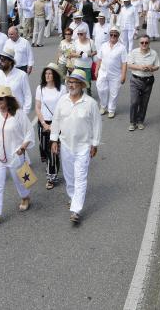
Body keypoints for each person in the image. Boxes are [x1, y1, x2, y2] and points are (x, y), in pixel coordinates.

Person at [50, 69, 102, 225]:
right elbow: (56, 120)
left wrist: (95, 144)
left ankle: (76, 210)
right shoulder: (62, 100)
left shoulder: (90, 103)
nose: (71, 85)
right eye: (69, 82)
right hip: (65, 144)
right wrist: (54, 140)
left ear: (81, 85)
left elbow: (97, 125)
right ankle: (73, 197)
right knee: (69, 176)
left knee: (80, 177)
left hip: (83, 146)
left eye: (74, 82)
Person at [0, 85, 35, 232]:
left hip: (15, 154)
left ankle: (25, 197)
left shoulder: (18, 114)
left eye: (1, 98)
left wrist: (23, 147)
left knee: (20, 180)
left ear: (8, 99)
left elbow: (29, 132)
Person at [35, 63, 67, 189]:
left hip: (56, 123)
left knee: (52, 151)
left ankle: (51, 177)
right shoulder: (40, 88)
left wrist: (54, 124)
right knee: (44, 147)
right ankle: (48, 161)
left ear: (55, 75)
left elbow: (64, 107)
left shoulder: (62, 89)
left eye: (50, 73)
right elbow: (37, 107)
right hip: (43, 123)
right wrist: (43, 123)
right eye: (46, 73)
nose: (47, 76)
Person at [126, 34, 160, 131]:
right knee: (134, 102)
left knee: (144, 103)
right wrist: (140, 67)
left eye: (146, 42)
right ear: (139, 43)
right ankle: (132, 122)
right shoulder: (134, 52)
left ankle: (140, 121)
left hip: (148, 80)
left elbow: (157, 66)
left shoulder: (154, 53)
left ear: (149, 43)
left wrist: (151, 68)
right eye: (142, 42)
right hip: (135, 80)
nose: (144, 44)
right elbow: (129, 65)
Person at [95, 26, 128, 118]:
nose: (113, 36)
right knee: (100, 88)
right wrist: (96, 70)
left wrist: (123, 75)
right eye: (111, 35)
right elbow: (99, 59)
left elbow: (124, 62)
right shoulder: (103, 45)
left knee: (114, 92)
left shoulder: (122, 48)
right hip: (103, 71)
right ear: (109, 35)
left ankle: (111, 109)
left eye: (115, 35)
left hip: (115, 74)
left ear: (118, 36)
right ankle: (103, 106)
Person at [0, 46, 33, 115]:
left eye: (3, 60)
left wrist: (24, 114)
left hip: (17, 113)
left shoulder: (22, 75)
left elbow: (27, 96)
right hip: (1, 114)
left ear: (10, 62)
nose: (0, 62)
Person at [72, 25, 97, 91]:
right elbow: (72, 53)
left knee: (88, 81)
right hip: (78, 64)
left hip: (87, 65)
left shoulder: (91, 42)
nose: (79, 35)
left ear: (85, 34)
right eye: (78, 34)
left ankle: (89, 92)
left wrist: (89, 55)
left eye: (81, 34)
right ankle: (79, 93)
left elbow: (95, 52)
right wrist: (77, 55)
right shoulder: (76, 42)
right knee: (78, 81)